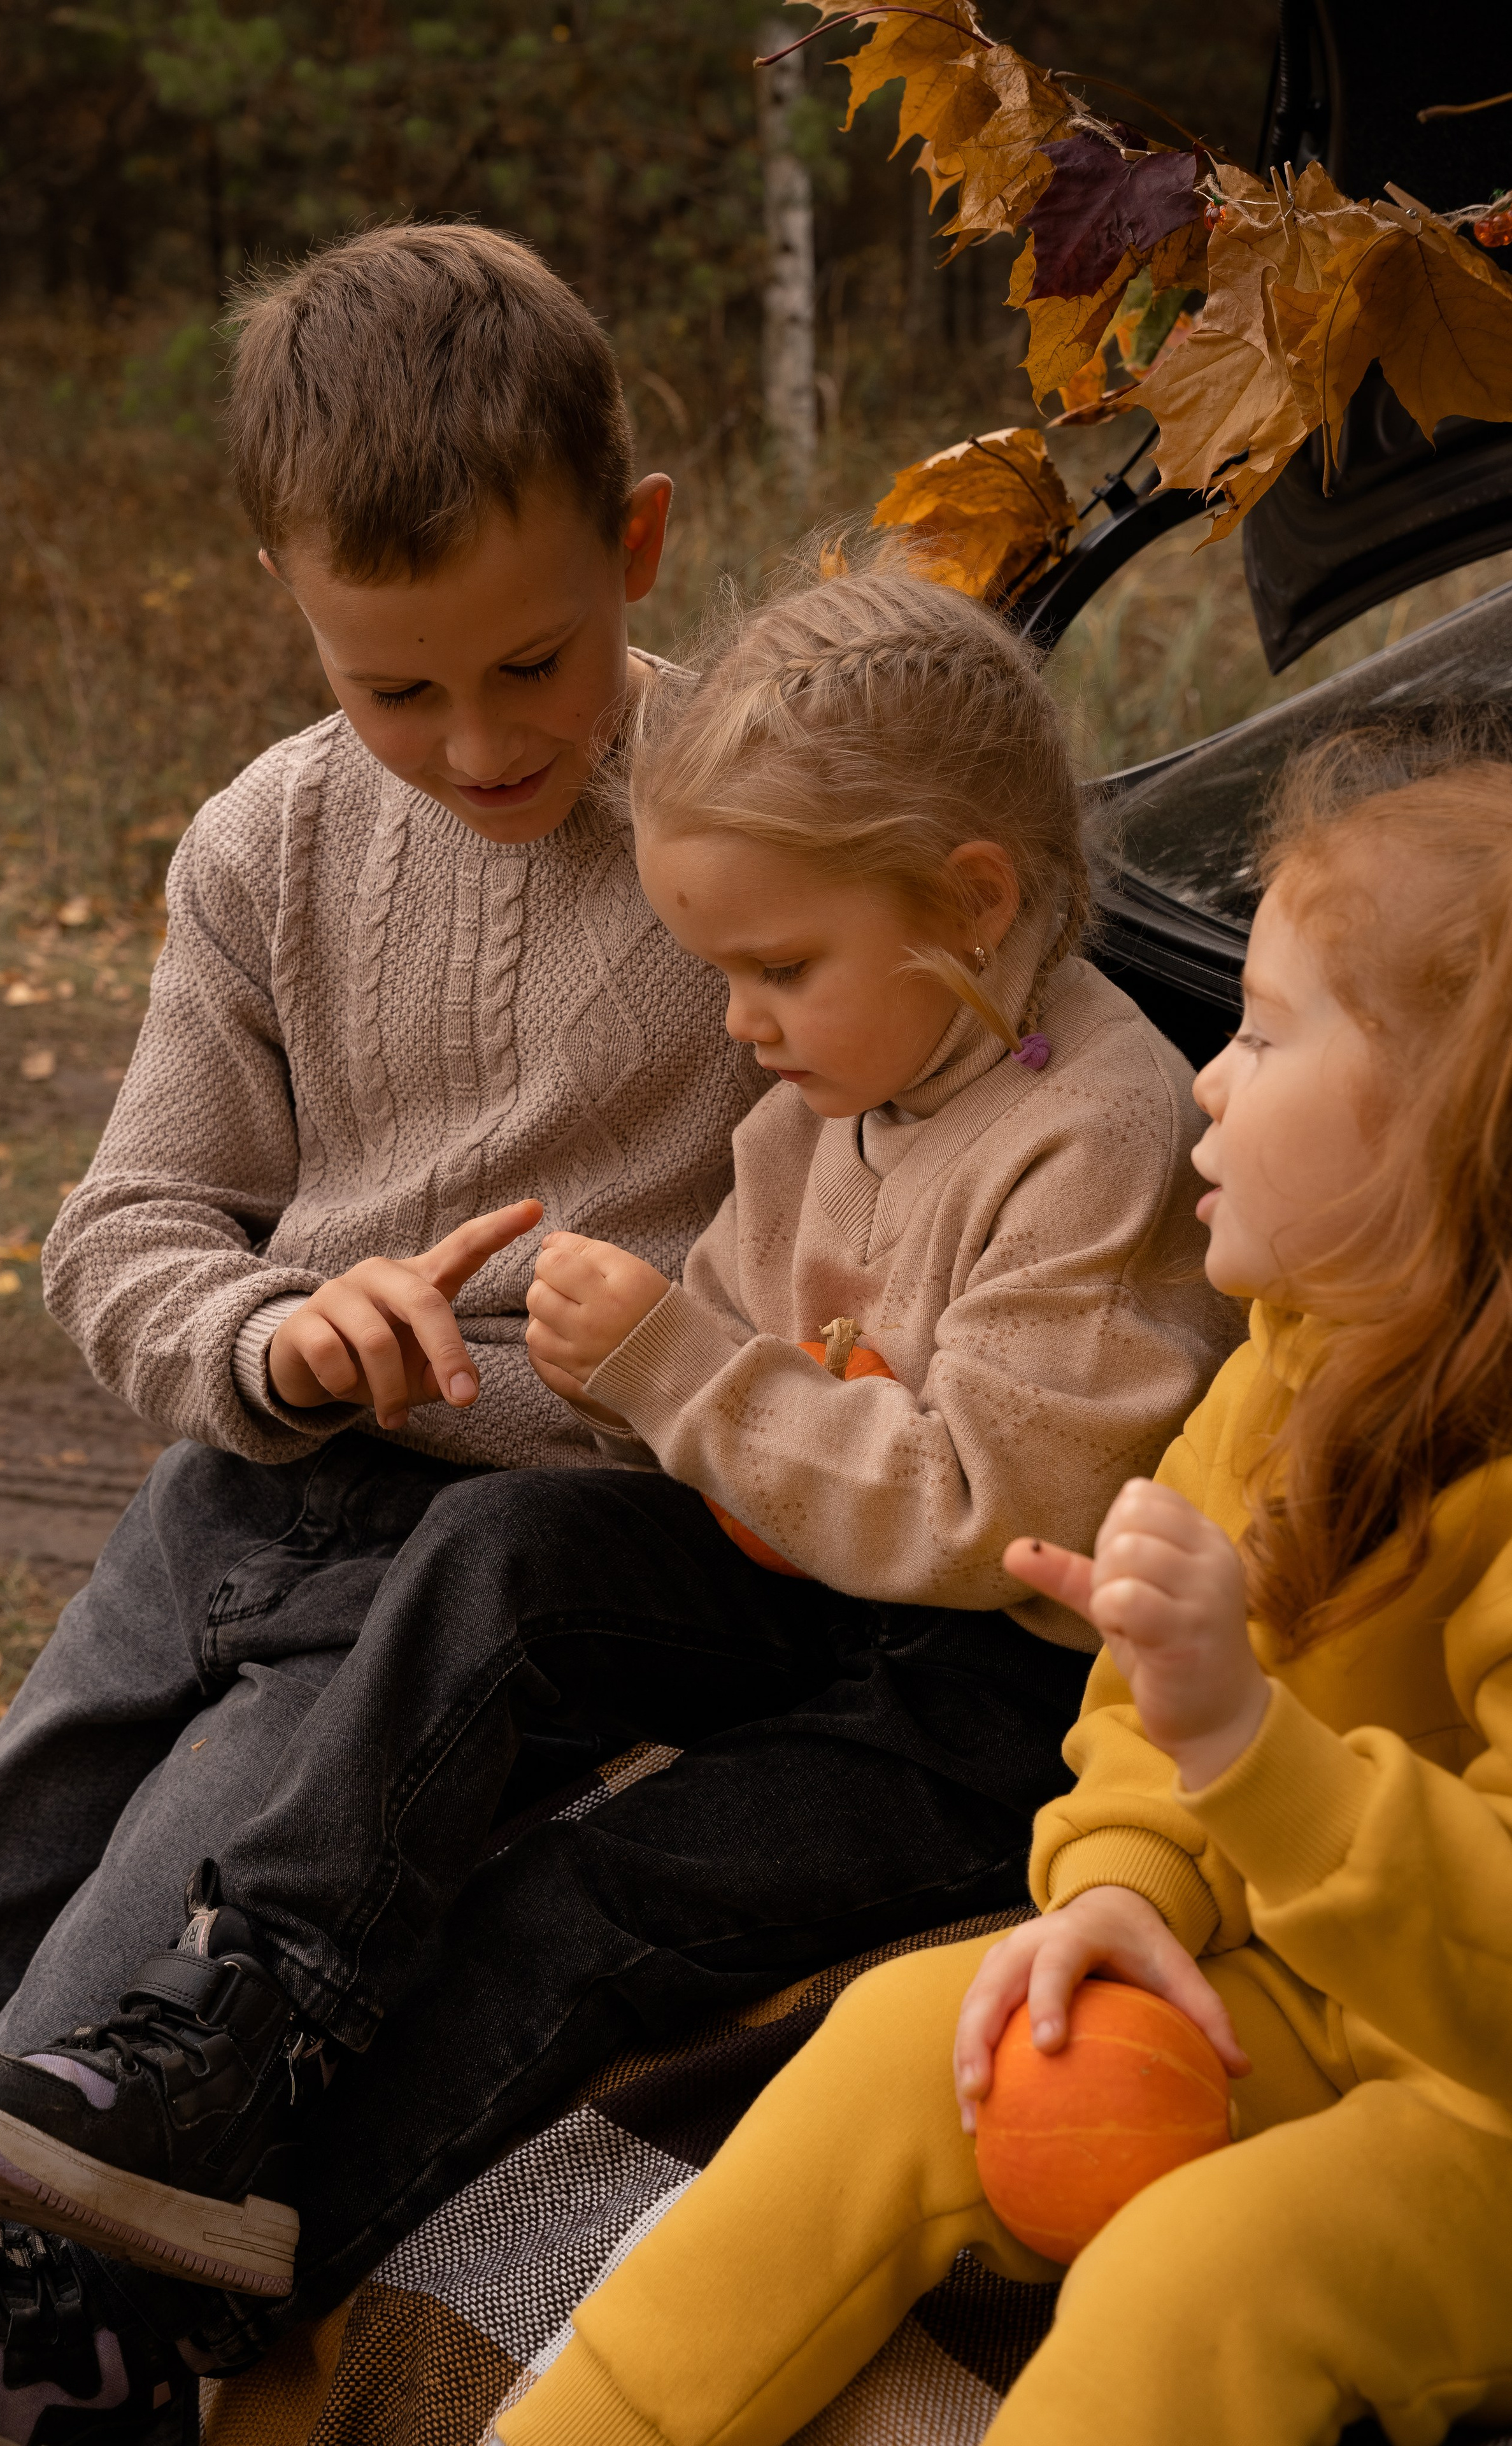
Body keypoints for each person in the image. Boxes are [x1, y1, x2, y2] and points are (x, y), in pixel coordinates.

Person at [0, 557, 1236, 2440]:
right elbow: (734, 1427)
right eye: (723, 973)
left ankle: (175, 2310)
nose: (739, 1025)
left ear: (975, 903)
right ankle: (230, 2030)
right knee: (502, 1550)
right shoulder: (826, 1100)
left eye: (777, 970)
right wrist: (616, 1384)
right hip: (810, 1581)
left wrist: (683, 1368)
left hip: (985, 1695)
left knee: (592, 1897)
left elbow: (981, 1507)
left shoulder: (1097, 1135)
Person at [490, 724, 1512, 2446]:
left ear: (1451, 1128)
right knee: (913, 2038)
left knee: (1207, 2272)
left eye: (1262, 1037)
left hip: (1485, 2107)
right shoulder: (1280, 1376)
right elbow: (1144, 1707)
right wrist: (1125, 1882)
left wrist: (1256, 1756)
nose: (1204, 1076)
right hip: (1318, 1998)